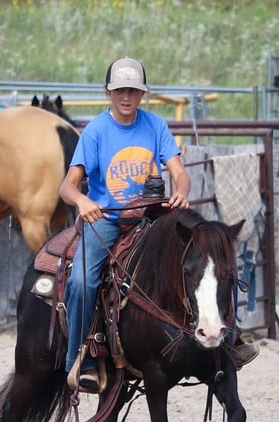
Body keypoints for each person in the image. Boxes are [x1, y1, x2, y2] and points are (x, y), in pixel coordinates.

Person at [58, 57, 257, 390]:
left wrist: (180, 192)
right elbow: (68, 185)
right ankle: (82, 356)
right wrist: (83, 200)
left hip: (151, 216)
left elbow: (179, 172)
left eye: (133, 91)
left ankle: (228, 339)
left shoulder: (155, 126)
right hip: (108, 218)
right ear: (109, 92)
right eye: (120, 90)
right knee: (80, 281)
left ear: (141, 94)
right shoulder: (95, 131)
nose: (126, 96)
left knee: (209, 258)